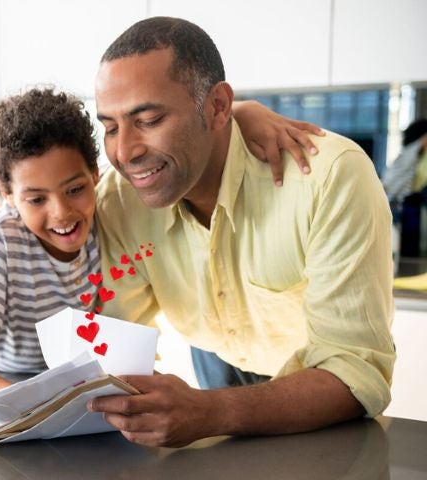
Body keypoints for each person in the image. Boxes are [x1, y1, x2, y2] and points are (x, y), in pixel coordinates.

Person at [88, 16, 395, 447]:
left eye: (150, 119)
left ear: (217, 106)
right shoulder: (119, 200)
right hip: (213, 357)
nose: (124, 152)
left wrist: (209, 410)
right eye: (110, 127)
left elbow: (355, 370)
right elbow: (117, 341)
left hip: (317, 388)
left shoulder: (329, 177)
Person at [0, 88, 321, 400]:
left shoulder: (109, 209)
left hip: (85, 394)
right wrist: (33, 406)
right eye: (36, 199)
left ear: (95, 175)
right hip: (15, 396)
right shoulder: (2, 242)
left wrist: (244, 112)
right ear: (7, 194)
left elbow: (185, 135)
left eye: (75, 189)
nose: (61, 213)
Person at [381, 118, 427, 257]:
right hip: (397, 204)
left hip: (402, 204)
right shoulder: (410, 153)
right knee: (400, 248)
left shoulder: (415, 155)